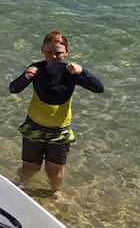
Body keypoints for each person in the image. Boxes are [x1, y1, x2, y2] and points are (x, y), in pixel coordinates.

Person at [9, 29, 103, 194]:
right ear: (42, 51)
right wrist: (26, 77)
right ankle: (20, 189)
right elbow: (13, 89)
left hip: (60, 130)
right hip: (34, 127)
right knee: (30, 167)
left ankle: (55, 194)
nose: (53, 56)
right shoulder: (36, 69)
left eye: (58, 53)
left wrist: (83, 72)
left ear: (66, 52)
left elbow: (98, 88)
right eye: (48, 52)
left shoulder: (71, 72)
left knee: (55, 171)